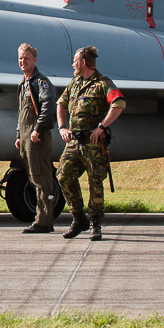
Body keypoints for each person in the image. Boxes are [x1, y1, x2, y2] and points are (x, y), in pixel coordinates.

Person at [57, 46, 126, 241]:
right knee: (63, 176)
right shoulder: (75, 83)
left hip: (94, 143)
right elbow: (61, 104)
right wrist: (62, 127)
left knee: (95, 182)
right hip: (74, 141)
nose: (72, 64)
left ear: (83, 63)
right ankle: (79, 218)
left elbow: (119, 103)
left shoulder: (103, 83)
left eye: (75, 61)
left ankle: (95, 223)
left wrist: (102, 127)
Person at [15, 43, 58, 234]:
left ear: (35, 60)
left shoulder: (41, 82)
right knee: (34, 178)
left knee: (42, 179)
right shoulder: (24, 83)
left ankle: (44, 221)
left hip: (36, 138)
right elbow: (21, 113)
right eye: (20, 58)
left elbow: (49, 107)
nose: (23, 62)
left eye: (26, 58)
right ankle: (42, 219)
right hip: (26, 138)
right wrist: (19, 135)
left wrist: (37, 130)